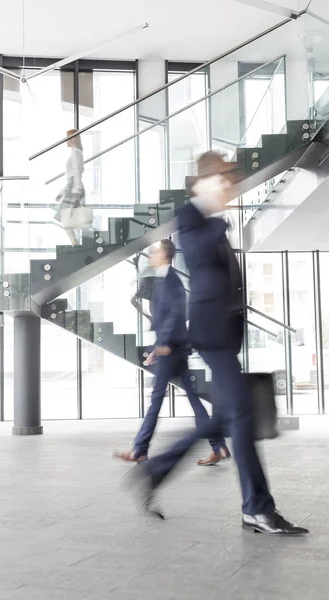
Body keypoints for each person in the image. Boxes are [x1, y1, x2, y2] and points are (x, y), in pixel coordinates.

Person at [128, 152, 309, 536]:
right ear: (202, 183)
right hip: (211, 332)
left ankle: (157, 470)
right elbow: (198, 257)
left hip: (224, 331)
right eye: (222, 179)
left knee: (226, 416)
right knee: (241, 416)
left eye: (230, 180)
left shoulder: (208, 219)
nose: (229, 186)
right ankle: (257, 509)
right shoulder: (193, 217)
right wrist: (216, 214)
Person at [115, 238, 229, 465]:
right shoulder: (164, 280)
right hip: (173, 348)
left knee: (156, 399)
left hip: (172, 349)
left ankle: (140, 449)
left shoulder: (170, 280)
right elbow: (168, 315)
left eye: (156, 253)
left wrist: (162, 344)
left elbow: (175, 313)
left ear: (165, 256)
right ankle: (219, 446)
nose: (153, 256)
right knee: (193, 400)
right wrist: (157, 347)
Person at [56, 129, 86, 246]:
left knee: (66, 216)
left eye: (68, 138)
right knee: (67, 216)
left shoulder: (76, 153)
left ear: (73, 138)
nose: (66, 141)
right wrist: (62, 192)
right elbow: (72, 177)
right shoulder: (75, 152)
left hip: (74, 187)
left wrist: (76, 191)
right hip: (71, 186)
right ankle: (74, 241)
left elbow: (77, 173)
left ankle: (75, 241)